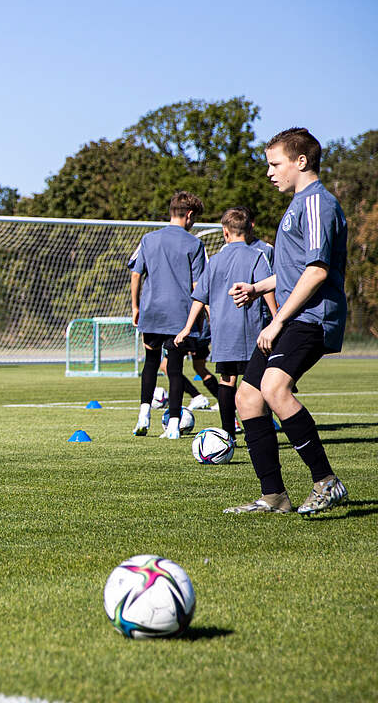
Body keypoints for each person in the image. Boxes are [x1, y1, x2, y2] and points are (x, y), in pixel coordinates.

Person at [225, 128, 349, 515]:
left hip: (312, 316)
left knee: (275, 387)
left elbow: (316, 272)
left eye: (274, 163)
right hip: (295, 314)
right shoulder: (298, 205)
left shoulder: (317, 203)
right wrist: (259, 287)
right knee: (247, 397)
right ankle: (274, 496)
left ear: (301, 162)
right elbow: (295, 271)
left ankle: (326, 481)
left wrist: (277, 320)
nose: (268, 172)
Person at [174, 208, 277, 437]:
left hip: (223, 332)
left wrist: (188, 328)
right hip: (251, 331)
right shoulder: (257, 256)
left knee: (227, 379)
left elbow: (199, 297)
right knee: (258, 382)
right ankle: (260, 431)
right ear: (249, 229)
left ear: (225, 232)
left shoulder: (215, 260)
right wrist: (277, 318)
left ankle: (227, 433)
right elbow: (268, 288)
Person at [128, 191, 206, 438]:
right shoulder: (194, 244)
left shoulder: (148, 239)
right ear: (189, 215)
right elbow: (197, 286)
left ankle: (143, 415)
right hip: (179, 315)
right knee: (174, 369)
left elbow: (136, 274)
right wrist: (201, 316)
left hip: (152, 311)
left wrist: (135, 306)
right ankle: (173, 424)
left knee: (150, 363)